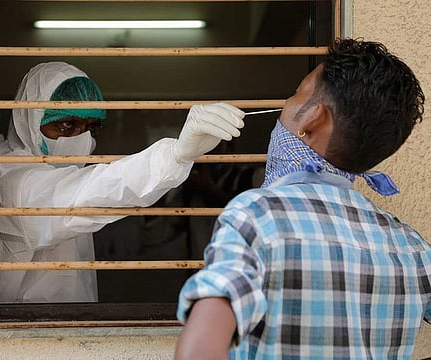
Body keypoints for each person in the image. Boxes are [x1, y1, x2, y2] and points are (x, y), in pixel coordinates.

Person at [174, 38, 430, 359]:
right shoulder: (412, 247)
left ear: (313, 120)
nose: (285, 104)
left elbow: (200, 348)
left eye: (296, 92)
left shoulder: (257, 216)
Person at [0, 61, 245, 304]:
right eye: (66, 124)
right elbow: (94, 190)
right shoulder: (11, 181)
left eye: (91, 126)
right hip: (25, 334)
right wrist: (176, 155)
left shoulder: (59, 172)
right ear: (30, 120)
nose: (80, 137)